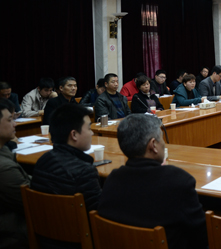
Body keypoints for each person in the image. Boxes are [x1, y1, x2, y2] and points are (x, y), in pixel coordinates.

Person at [98, 114, 208, 249]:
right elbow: (202, 236)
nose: (164, 144)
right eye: (161, 138)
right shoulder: (178, 182)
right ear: (153, 145)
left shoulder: (111, 180)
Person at [31, 104, 101, 212]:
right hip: (76, 222)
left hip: (43, 221)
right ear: (74, 135)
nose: (92, 133)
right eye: (89, 128)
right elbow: (97, 212)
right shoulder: (85, 172)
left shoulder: (42, 161)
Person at [0, 99, 31, 249]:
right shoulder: (4, 168)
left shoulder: (4, 149)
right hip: (11, 232)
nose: (15, 124)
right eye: (10, 120)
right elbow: (31, 201)